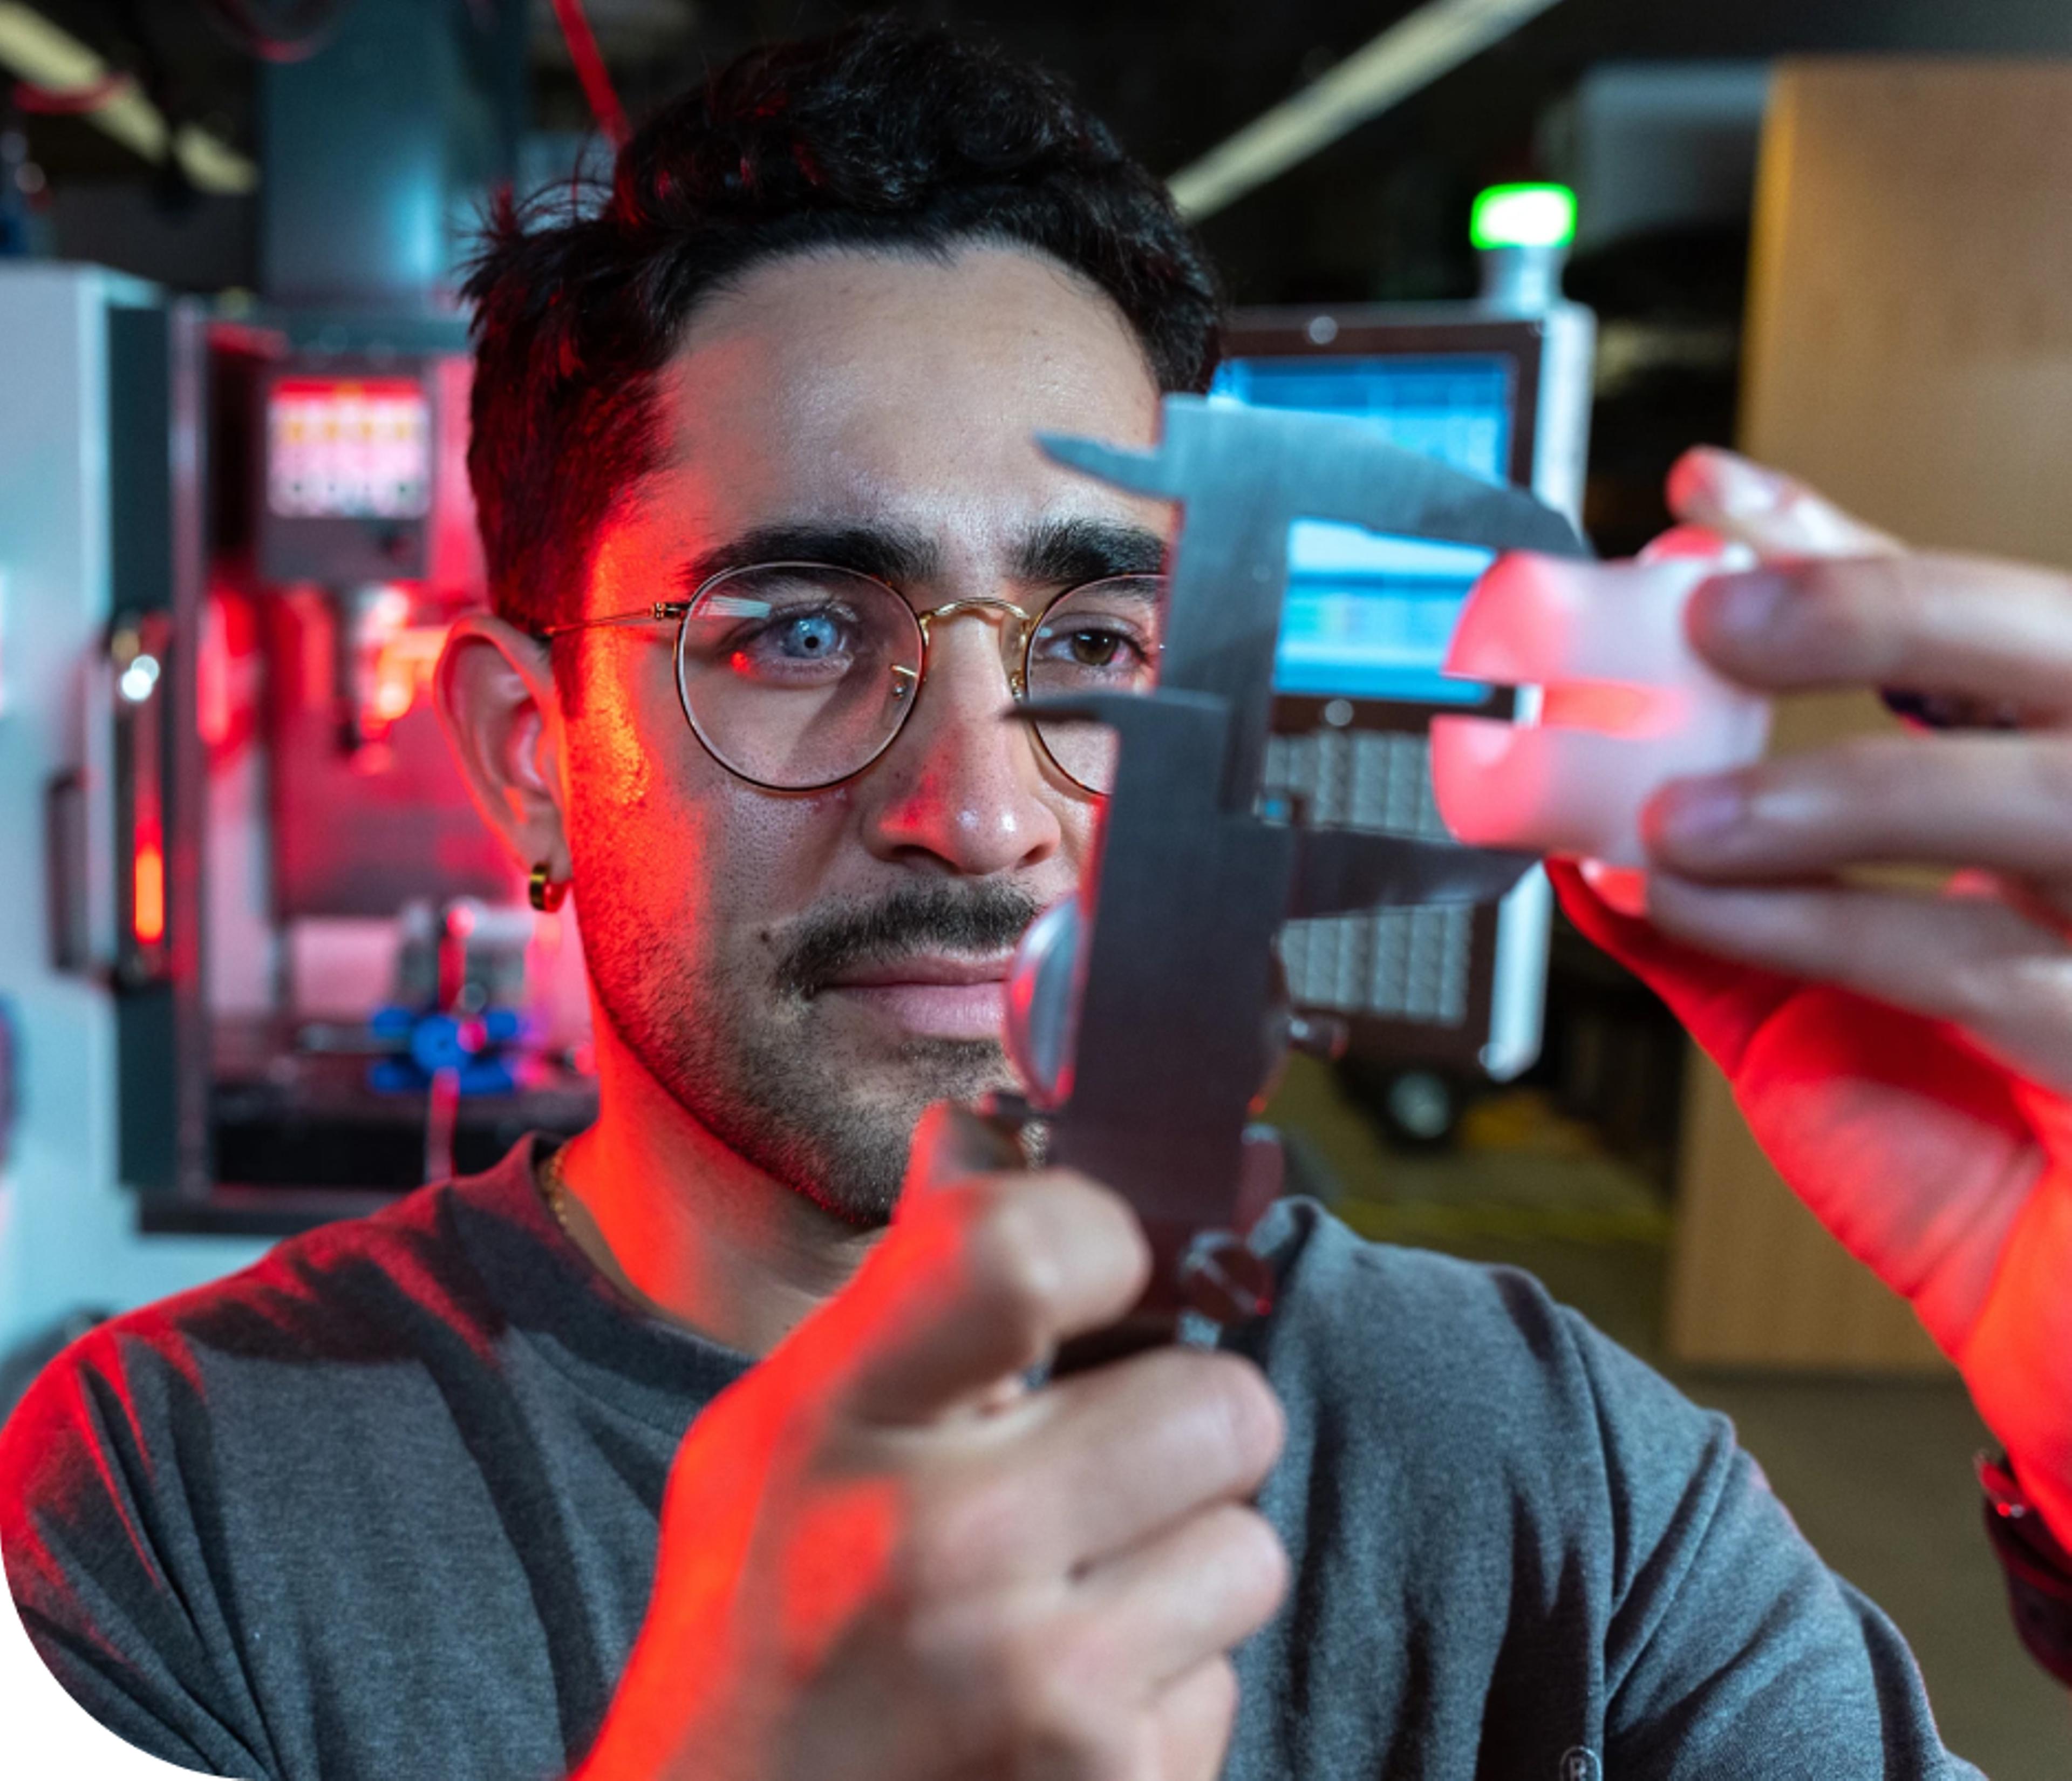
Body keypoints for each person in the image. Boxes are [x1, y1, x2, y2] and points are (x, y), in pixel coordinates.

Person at [1, 18, 2063, 1779]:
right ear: (530, 748)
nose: (982, 816)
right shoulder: (175, 1496)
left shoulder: (1548, 1471)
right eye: (798, 631)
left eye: (1091, 645)